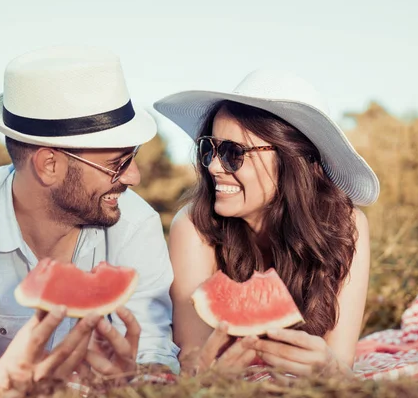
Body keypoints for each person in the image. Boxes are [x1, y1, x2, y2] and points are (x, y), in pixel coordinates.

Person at [0, 46, 180, 392]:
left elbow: (155, 351)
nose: (134, 176)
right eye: (117, 164)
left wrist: (135, 381)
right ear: (49, 165)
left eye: (132, 157)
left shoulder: (136, 225)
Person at [153, 69, 379, 378]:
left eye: (234, 152)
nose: (214, 166)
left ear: (291, 161)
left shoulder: (347, 225)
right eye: (209, 148)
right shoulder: (192, 226)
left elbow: (341, 364)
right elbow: (194, 363)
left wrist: (327, 367)